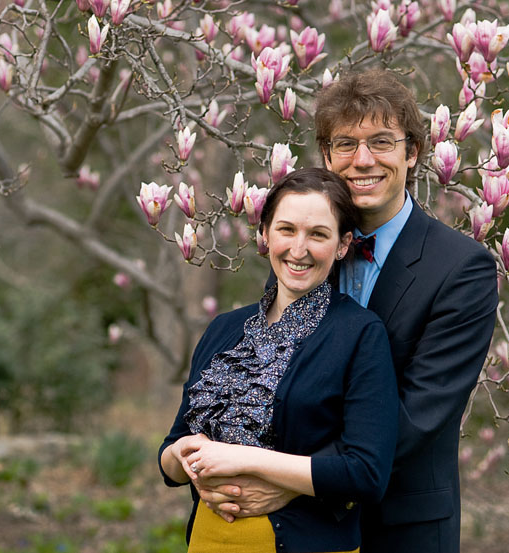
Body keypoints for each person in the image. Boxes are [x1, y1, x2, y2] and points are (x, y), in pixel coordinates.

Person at [197, 70, 499, 553]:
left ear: (413, 152)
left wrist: (294, 479)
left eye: (382, 142)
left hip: (401, 523)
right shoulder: (306, 251)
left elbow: (419, 416)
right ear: (326, 155)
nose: (363, 160)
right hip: (300, 528)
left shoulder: (462, 269)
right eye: (345, 144)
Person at [159, 167, 399, 553]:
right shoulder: (224, 329)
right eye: (286, 229)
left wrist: (246, 460)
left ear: (342, 245)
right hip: (208, 541)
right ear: (265, 234)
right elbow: (169, 454)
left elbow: (366, 473)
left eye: (318, 234)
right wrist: (185, 457)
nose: (298, 249)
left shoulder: (359, 334)